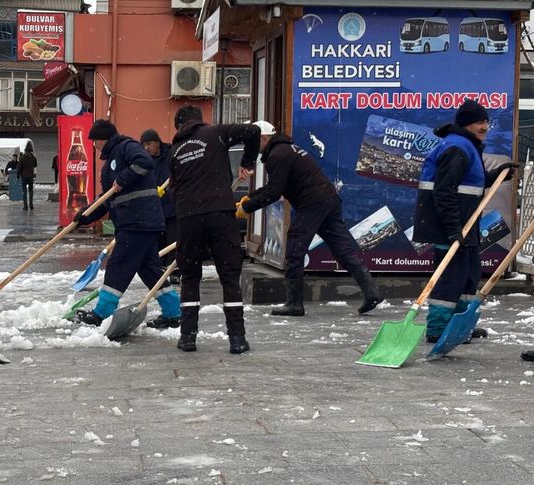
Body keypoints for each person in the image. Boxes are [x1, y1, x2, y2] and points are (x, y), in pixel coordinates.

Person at [238, 120, 383, 317]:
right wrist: (250, 198)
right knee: (342, 250)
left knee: (295, 249)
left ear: (263, 138)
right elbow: (275, 187)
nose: (251, 147)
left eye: (253, 142)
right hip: (328, 199)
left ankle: (294, 303)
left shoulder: (277, 155)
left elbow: (274, 192)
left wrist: (247, 207)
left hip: (313, 203)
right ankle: (371, 291)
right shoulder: (287, 149)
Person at [413, 99, 512, 344]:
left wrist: (497, 175)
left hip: (465, 225)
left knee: (468, 274)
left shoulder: (468, 146)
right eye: (480, 121)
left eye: (486, 121)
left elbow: (470, 184)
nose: (485, 126)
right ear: (467, 123)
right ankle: (437, 328)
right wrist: (453, 228)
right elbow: (444, 191)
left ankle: (459, 324)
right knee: (450, 277)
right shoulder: (457, 148)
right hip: (450, 225)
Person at [73, 119, 181, 330]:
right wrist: (85, 216)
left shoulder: (126, 147)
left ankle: (101, 312)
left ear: (103, 139)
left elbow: (144, 162)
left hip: (138, 221)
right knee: (149, 269)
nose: (94, 145)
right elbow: (109, 197)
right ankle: (173, 311)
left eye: (95, 141)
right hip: (136, 222)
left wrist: (123, 178)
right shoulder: (110, 163)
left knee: (119, 265)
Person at [169, 105, 260, 354]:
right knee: (229, 276)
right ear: (200, 121)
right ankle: (237, 338)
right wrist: (247, 162)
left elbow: (174, 189)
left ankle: (187, 337)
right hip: (220, 213)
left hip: (188, 217)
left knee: (189, 277)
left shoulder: (174, 150)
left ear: (179, 126)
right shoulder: (216, 133)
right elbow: (253, 131)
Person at [141, 128, 179, 285]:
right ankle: (159, 271)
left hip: (173, 205)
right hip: (155, 207)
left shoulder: (170, 154)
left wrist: (170, 189)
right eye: (143, 145)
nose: (146, 148)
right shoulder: (143, 159)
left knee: (173, 240)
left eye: (149, 144)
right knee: (157, 241)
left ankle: (175, 271)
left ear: (157, 142)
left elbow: (179, 174)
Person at [19, 144, 37, 210]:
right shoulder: (33, 157)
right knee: (31, 191)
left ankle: (25, 206)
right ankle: (31, 204)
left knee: (24, 191)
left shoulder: (22, 158)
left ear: (25, 151)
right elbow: (35, 165)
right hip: (30, 176)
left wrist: (18, 175)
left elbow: (19, 167)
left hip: (24, 176)